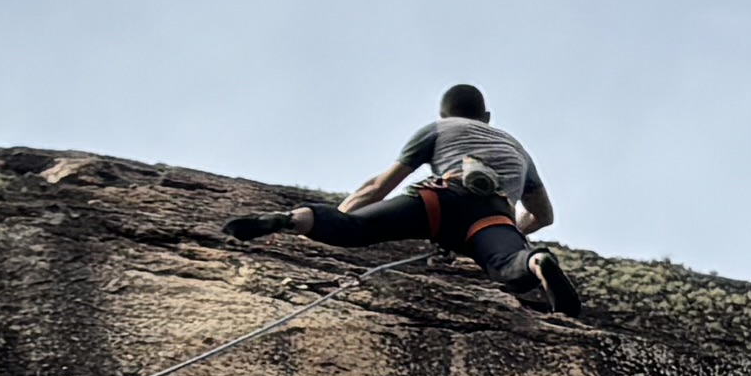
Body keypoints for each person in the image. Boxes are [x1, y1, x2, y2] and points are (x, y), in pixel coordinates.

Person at [225, 84, 584, 311]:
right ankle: (538, 263)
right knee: (510, 268)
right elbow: (543, 216)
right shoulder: (516, 148)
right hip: (489, 217)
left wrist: (342, 220)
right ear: (487, 118)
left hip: (437, 200)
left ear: (443, 113)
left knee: (353, 229)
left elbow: (379, 186)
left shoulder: (438, 129)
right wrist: (513, 234)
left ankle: (291, 219)